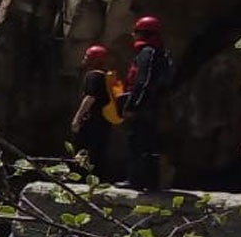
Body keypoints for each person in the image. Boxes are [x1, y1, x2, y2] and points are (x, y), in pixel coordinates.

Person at [119, 16, 173, 190]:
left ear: (142, 33)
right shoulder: (159, 53)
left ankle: (136, 180)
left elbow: (143, 81)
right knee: (149, 144)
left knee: (136, 142)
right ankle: (150, 181)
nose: (133, 35)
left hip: (144, 108)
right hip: (153, 106)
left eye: (135, 32)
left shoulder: (147, 53)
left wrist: (133, 106)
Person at [70, 44, 114, 175]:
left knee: (83, 149)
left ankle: (81, 176)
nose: (84, 59)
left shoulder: (93, 76)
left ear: (94, 59)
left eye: (87, 56)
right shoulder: (107, 76)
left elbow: (90, 98)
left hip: (92, 120)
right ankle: (99, 177)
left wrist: (77, 118)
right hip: (105, 120)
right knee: (99, 150)